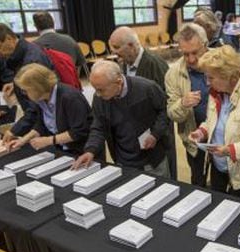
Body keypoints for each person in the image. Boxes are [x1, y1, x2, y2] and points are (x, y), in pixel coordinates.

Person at [189, 45, 240, 201]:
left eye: (211, 77)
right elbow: (211, 121)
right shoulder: (216, 93)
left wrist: (230, 150)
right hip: (218, 169)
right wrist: (201, 132)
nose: (207, 82)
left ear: (227, 76)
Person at [72, 60, 170, 178]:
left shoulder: (147, 88)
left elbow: (165, 111)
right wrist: (90, 150)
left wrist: (155, 134)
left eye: (101, 90)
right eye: (95, 89)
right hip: (123, 161)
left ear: (118, 82)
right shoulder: (100, 98)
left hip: (152, 161)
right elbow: (98, 126)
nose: (97, 94)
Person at [109, 26, 177, 179]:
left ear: (132, 46)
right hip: (135, 143)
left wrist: (156, 133)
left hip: (156, 140)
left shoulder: (156, 65)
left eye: (117, 47)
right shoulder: (123, 64)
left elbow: (167, 105)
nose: (114, 52)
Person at [6, 63, 92, 156]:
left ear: (37, 87)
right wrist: (22, 140)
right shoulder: (41, 99)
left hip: (82, 151)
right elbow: (41, 125)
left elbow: (79, 132)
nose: (24, 93)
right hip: (62, 149)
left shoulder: (70, 98)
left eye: (25, 90)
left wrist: (49, 140)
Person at [165, 23, 209, 186]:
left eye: (195, 53)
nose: (191, 59)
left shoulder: (221, 62)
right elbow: (172, 113)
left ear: (205, 45)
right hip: (194, 138)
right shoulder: (173, 73)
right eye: (185, 54)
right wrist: (182, 103)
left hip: (224, 136)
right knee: (198, 180)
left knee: (223, 180)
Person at [0, 23, 53, 143]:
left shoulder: (32, 59)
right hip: (40, 118)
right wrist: (16, 84)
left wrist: (15, 130)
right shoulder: (17, 55)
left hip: (47, 119)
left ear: (9, 38)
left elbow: (36, 103)